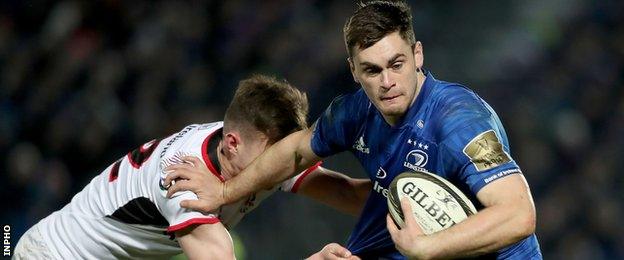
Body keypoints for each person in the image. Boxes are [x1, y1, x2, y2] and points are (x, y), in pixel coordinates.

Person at [163, 1, 542, 259]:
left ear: (418, 55)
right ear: (354, 71)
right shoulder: (355, 111)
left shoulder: (460, 122)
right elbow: (297, 150)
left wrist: (426, 248)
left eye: (397, 64)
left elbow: (518, 215)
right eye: (372, 70)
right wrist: (226, 190)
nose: (387, 82)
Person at [13, 74, 371, 259]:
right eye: (274, 155)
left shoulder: (258, 147)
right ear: (232, 143)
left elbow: (346, 193)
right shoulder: (184, 181)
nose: (280, 165)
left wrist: (413, 189)